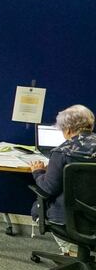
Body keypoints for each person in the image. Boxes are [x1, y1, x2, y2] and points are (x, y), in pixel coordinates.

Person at [30, 105, 96, 256]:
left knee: (41, 200)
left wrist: (38, 172)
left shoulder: (62, 151)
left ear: (67, 130)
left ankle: (70, 250)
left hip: (69, 218)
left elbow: (48, 189)